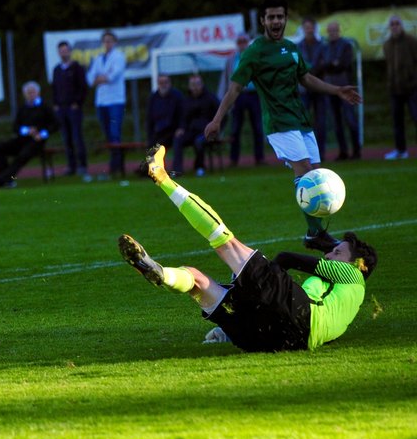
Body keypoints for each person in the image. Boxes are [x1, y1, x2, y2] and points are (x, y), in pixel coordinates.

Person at [119, 144, 377, 353]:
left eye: (338, 252)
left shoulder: (354, 276)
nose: (331, 253)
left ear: (358, 264)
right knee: (196, 279)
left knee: (226, 242)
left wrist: (262, 275)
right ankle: (161, 273)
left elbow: (287, 258)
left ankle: (161, 177)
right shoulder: (346, 306)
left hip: (297, 315)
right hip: (277, 342)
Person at [205, 0, 362, 253]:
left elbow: (307, 78)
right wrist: (217, 118)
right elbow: (235, 87)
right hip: (278, 122)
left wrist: (337, 90)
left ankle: (314, 233)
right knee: (307, 172)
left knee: (316, 177)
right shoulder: (255, 51)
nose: (276, 21)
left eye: (280, 17)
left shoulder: (291, 48)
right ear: (263, 21)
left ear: (285, 20)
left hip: (301, 120)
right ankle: (317, 234)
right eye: (271, 17)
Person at [0, 81, 58, 188]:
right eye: (28, 93)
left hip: (37, 141)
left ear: (38, 93)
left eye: (33, 92)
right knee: (0, 148)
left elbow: (55, 124)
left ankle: (0, 181)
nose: (31, 95)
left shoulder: (45, 107)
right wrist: (26, 130)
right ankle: (7, 180)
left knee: (23, 155)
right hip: (22, 140)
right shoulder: (23, 108)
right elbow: (15, 126)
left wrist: (42, 133)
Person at [218, 33, 265, 166]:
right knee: (235, 128)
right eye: (239, 41)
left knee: (257, 127)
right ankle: (234, 159)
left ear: (248, 42)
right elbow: (226, 79)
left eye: (244, 41)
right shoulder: (231, 60)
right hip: (237, 95)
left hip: (253, 94)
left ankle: (259, 158)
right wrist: (223, 97)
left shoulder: (255, 57)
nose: (242, 43)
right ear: (236, 43)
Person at [86, 30, 127, 176]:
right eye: (105, 40)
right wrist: (100, 78)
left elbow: (112, 76)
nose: (107, 43)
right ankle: (115, 166)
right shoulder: (98, 58)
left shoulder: (119, 57)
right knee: (108, 135)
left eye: (110, 40)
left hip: (115, 100)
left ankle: (115, 167)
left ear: (114, 42)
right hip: (101, 102)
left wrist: (101, 78)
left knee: (115, 134)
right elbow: (90, 78)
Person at [319, 22, 361, 160]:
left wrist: (330, 65)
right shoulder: (324, 47)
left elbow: (344, 64)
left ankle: (356, 151)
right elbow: (321, 65)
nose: (332, 33)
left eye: (334, 30)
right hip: (331, 89)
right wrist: (333, 63)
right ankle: (343, 151)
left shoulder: (346, 45)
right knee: (337, 122)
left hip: (345, 88)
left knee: (350, 119)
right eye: (330, 30)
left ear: (339, 31)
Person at [52, 41, 89, 176]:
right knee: (66, 138)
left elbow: (83, 87)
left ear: (70, 51)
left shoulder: (77, 67)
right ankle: (71, 166)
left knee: (77, 137)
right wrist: (55, 104)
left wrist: (77, 103)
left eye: (65, 50)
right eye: (61, 50)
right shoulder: (57, 69)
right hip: (61, 109)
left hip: (73, 109)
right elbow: (54, 88)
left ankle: (82, 165)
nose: (63, 53)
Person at [383, 15, 417, 160]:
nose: (395, 26)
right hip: (395, 89)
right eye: (392, 24)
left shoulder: (411, 41)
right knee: (397, 122)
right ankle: (401, 150)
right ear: (389, 27)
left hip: (412, 88)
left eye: (397, 23)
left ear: (401, 25)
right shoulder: (387, 45)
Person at [173, 74, 220, 177]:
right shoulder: (186, 101)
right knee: (178, 139)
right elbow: (183, 118)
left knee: (199, 142)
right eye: (193, 85)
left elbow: (221, 115)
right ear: (189, 86)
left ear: (202, 85)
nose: (195, 87)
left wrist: (217, 128)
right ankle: (177, 170)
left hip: (206, 132)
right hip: (191, 131)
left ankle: (200, 167)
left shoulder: (211, 98)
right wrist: (181, 128)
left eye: (197, 84)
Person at [296, 17, 327, 160]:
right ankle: (306, 153)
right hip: (304, 90)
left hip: (319, 88)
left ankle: (321, 153)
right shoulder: (298, 46)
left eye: (311, 26)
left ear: (315, 28)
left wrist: (309, 72)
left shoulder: (322, 45)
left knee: (320, 122)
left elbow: (324, 63)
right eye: (306, 27)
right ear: (303, 29)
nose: (309, 29)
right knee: (304, 122)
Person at [146, 74, 183, 148]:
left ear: (170, 83)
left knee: (177, 140)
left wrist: (181, 128)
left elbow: (183, 114)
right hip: (158, 131)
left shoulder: (177, 96)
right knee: (151, 146)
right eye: (161, 83)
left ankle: (177, 160)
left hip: (173, 131)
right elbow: (149, 118)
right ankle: (151, 160)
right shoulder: (153, 98)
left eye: (165, 82)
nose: (163, 85)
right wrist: (150, 134)